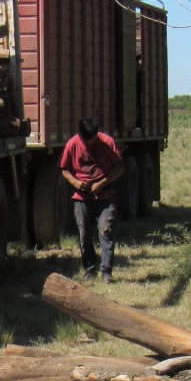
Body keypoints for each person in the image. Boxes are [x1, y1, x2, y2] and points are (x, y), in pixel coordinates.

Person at [59, 117, 123, 280]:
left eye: (93, 140)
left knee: (106, 232)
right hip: (82, 197)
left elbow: (120, 167)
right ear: (80, 135)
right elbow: (64, 169)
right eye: (86, 141)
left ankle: (106, 272)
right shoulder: (72, 144)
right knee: (84, 235)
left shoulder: (108, 142)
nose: (89, 143)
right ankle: (90, 270)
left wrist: (102, 183)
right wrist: (76, 182)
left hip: (105, 196)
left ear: (97, 134)